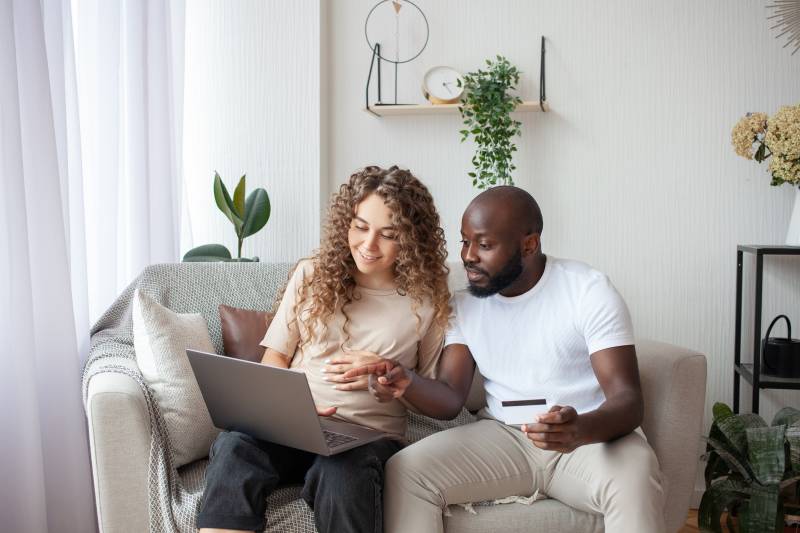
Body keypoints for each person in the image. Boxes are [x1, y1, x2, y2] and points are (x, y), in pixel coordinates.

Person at [345, 185, 666, 532]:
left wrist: (580, 429)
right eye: (464, 241)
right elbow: (451, 396)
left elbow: (628, 401)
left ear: (529, 244)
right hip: (504, 437)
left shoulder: (587, 291)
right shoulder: (464, 305)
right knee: (406, 472)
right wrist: (406, 381)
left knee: (635, 474)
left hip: (590, 440)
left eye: (484, 245)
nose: (468, 256)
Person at [196, 166, 451, 533]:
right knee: (235, 447)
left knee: (342, 475)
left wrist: (392, 379)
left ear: (411, 239)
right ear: (346, 222)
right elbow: (276, 357)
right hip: (293, 425)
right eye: (360, 227)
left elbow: (428, 391)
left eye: (388, 234)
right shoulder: (313, 275)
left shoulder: (426, 302)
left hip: (364, 437)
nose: (368, 244)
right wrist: (288, 406)